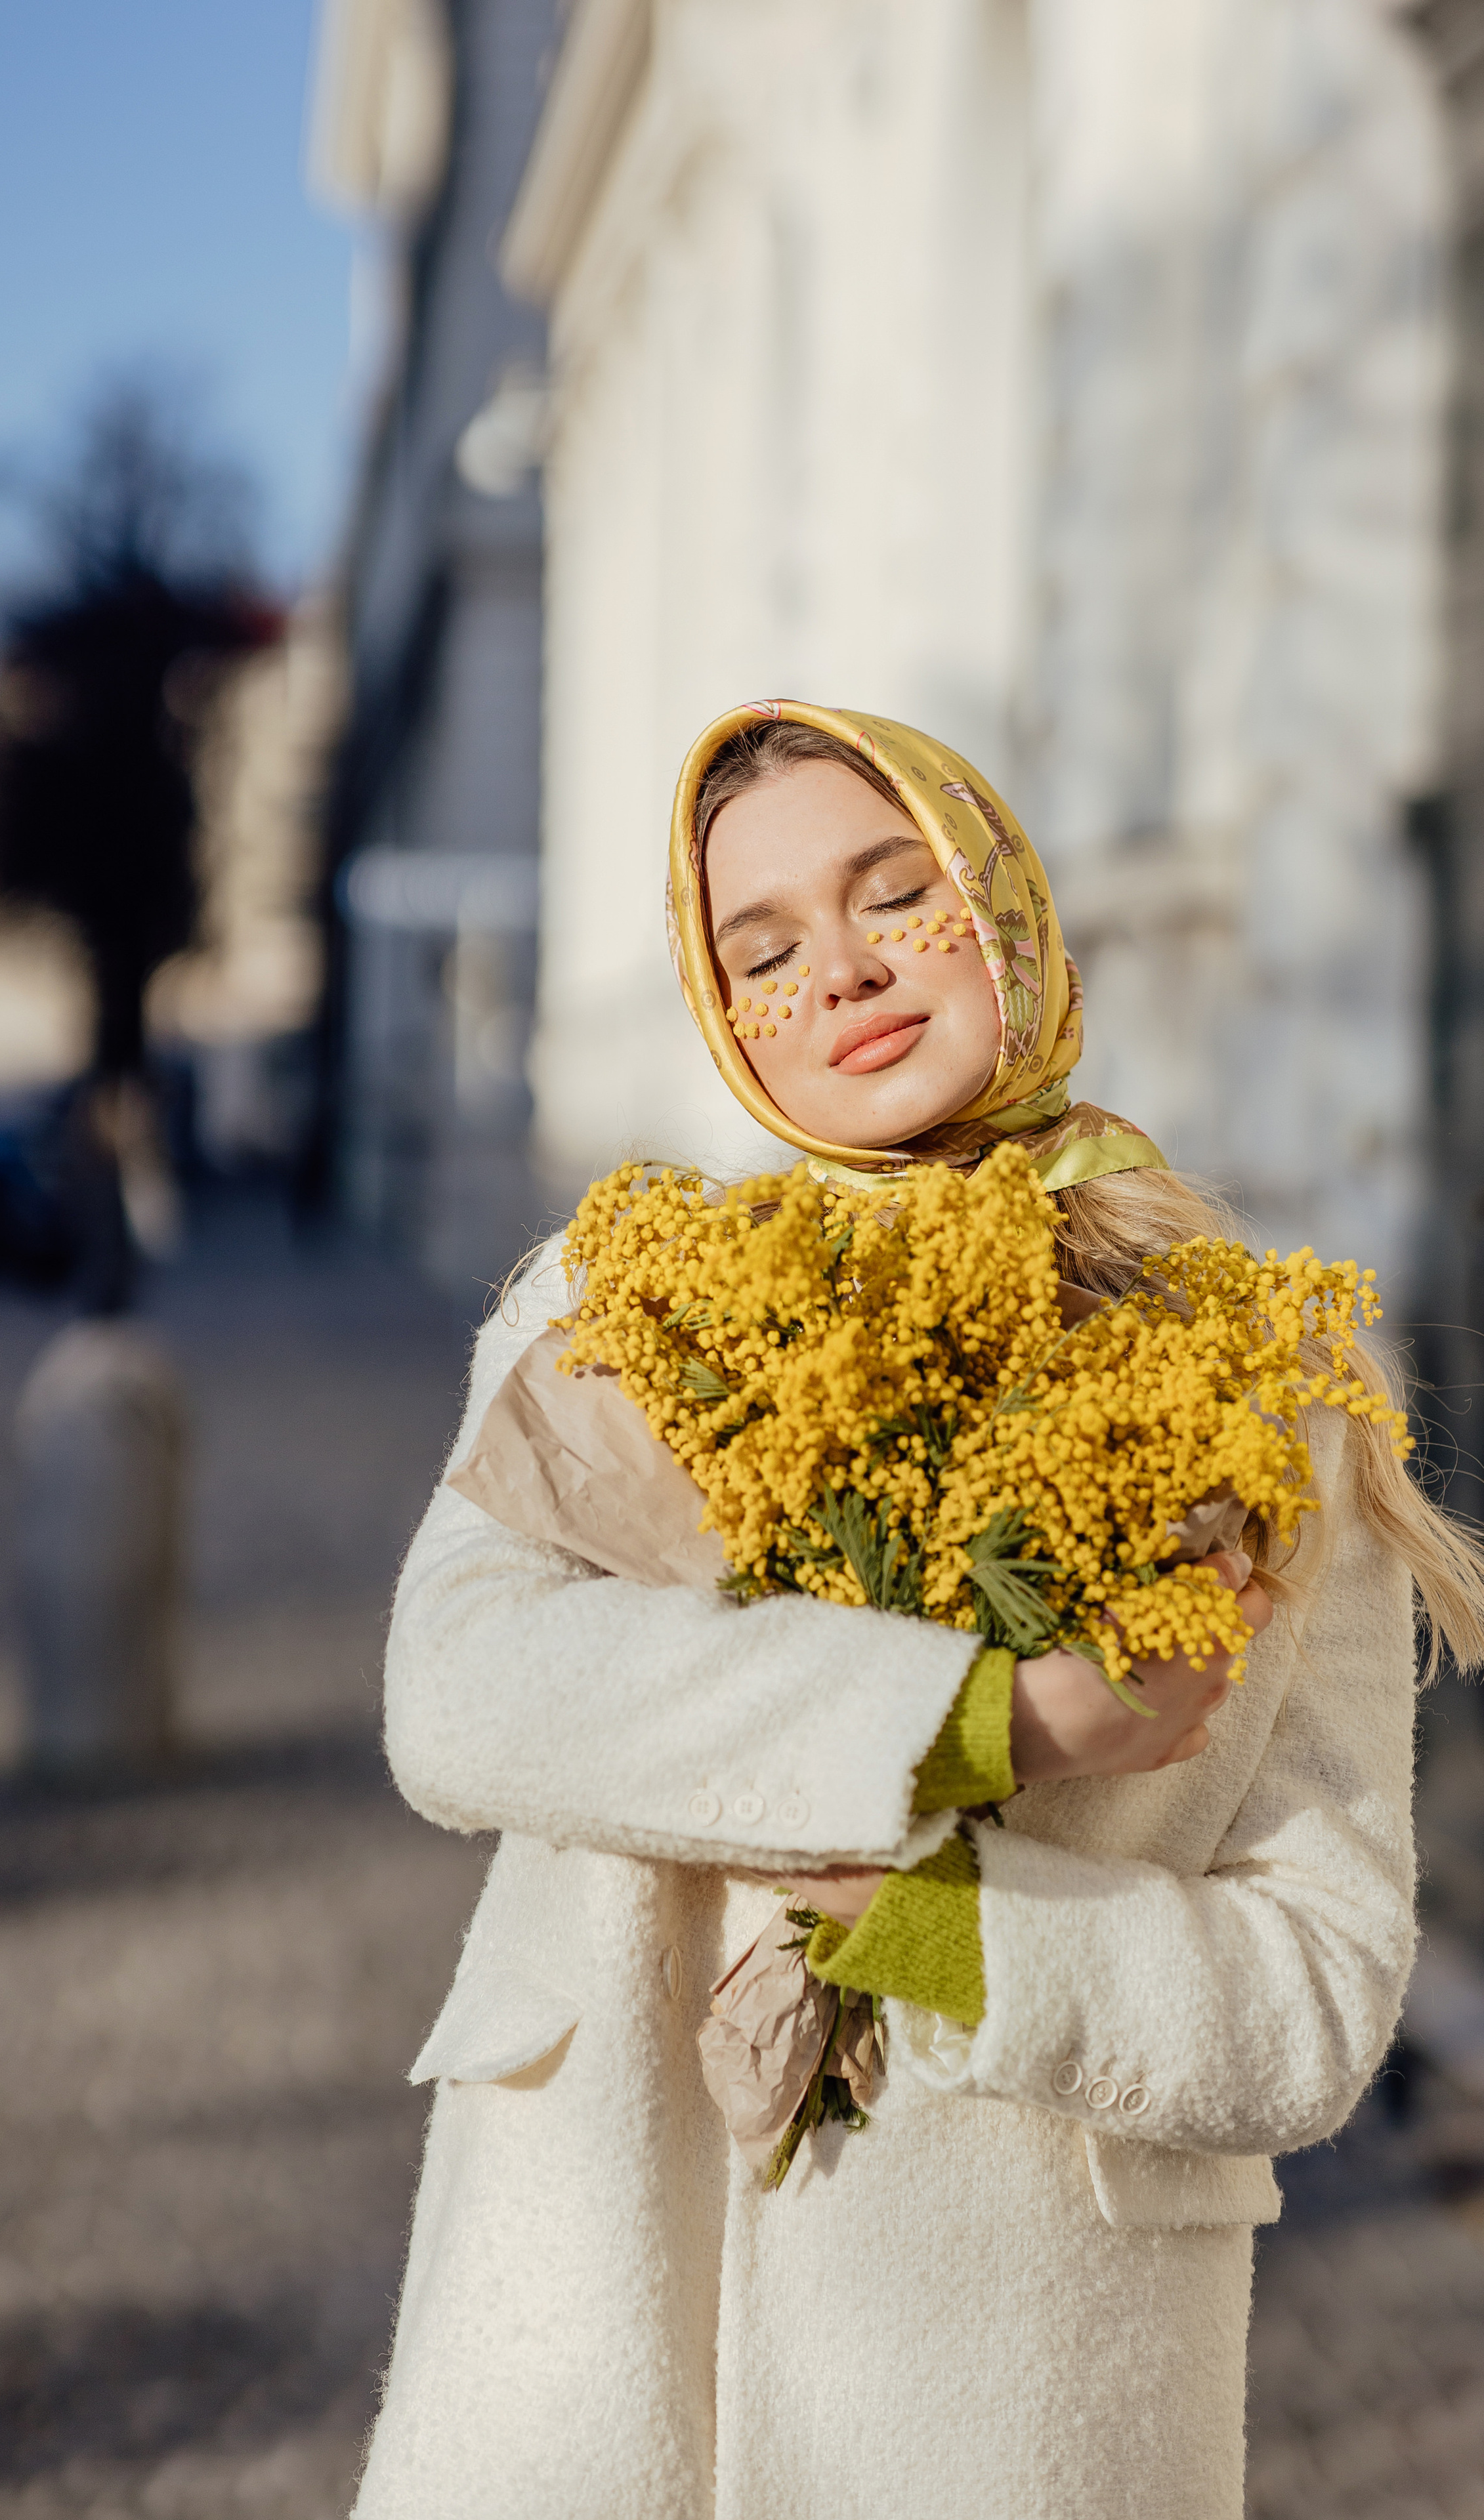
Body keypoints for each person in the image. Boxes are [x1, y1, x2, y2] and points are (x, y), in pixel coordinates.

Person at [352, 703, 1484, 2520]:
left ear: (1007, 906)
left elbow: (1318, 1994)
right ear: (724, 1012)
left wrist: (958, 1929)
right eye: (767, 948)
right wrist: (980, 1724)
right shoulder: (627, 1306)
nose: (849, 970)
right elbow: (462, 1688)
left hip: (1013, 2392)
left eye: (901, 892)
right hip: (598, 2331)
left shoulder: (1266, 1374)